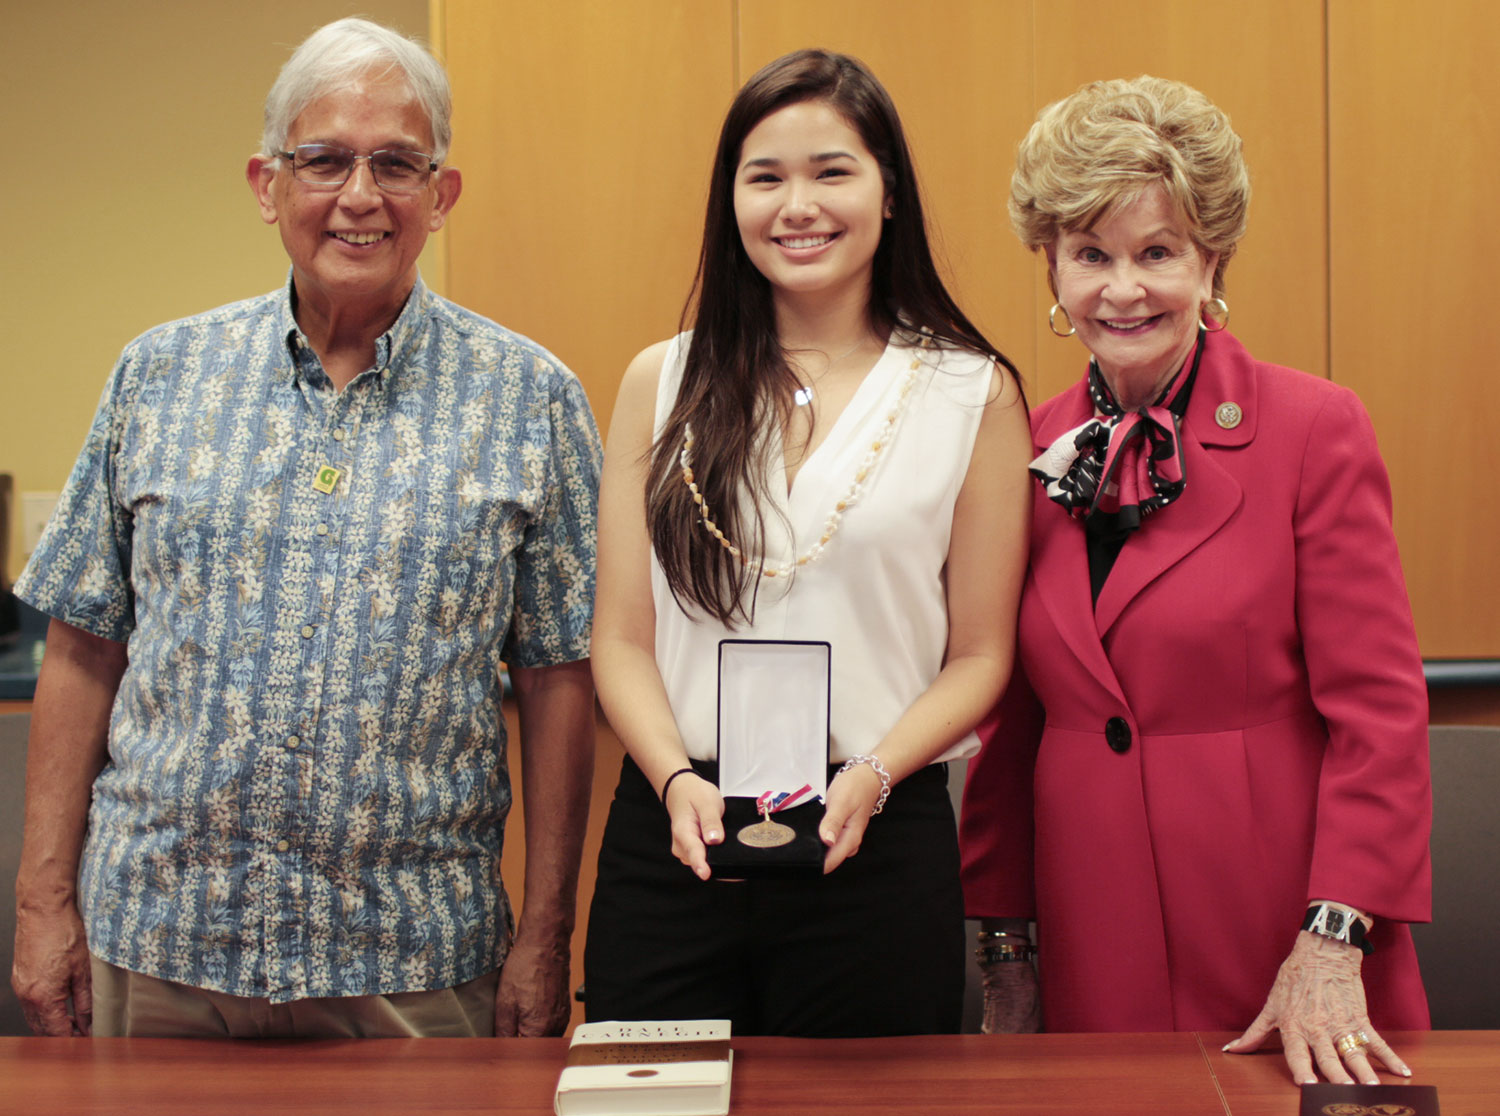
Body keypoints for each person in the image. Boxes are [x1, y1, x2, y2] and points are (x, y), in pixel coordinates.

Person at [11, 17, 601, 1039]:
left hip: (415, 960)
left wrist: (546, 936)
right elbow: (82, 644)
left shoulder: (533, 398)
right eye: (323, 159)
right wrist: (39, 902)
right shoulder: (158, 375)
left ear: (441, 195)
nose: (360, 195)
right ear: (266, 184)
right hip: (158, 947)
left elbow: (561, 681)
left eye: (397, 164)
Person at [959, 76, 1431, 1083]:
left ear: (1211, 262)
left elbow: (1381, 715)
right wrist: (1006, 953)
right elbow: (1010, 731)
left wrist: (1333, 941)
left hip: (1284, 933)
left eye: (1157, 253)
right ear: (1051, 267)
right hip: (1096, 935)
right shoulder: (1022, 446)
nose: (1121, 291)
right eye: (1091, 256)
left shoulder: (1314, 430)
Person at [583, 48, 1031, 1038]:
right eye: (766, 177)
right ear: (730, 201)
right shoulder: (660, 380)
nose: (800, 206)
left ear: (888, 193)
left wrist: (872, 775)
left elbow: (981, 653)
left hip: (875, 828)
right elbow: (618, 638)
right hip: (678, 827)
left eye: (832, 171)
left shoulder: (971, 393)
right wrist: (676, 782)